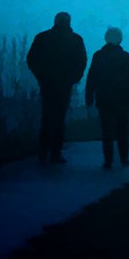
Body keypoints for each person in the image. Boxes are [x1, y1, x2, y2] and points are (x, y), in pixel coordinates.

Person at [26, 11, 87, 164]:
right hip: (59, 84)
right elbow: (81, 62)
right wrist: (73, 79)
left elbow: (32, 59)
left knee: (49, 117)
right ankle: (53, 152)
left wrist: (42, 76)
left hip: (52, 83)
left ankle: (47, 151)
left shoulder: (44, 38)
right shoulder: (74, 39)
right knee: (57, 117)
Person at [85, 27, 129, 170]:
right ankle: (124, 158)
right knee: (122, 130)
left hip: (103, 98)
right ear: (120, 39)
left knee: (107, 130)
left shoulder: (98, 56)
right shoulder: (125, 57)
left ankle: (108, 161)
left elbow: (91, 78)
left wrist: (89, 97)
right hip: (122, 99)